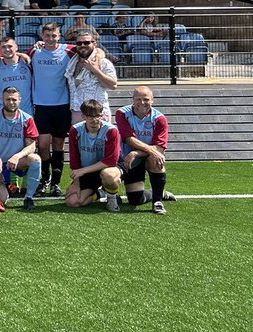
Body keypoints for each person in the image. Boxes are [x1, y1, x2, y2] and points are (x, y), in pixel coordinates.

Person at [0, 87, 41, 211]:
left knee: (35, 159)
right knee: (2, 200)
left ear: (20, 100)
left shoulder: (27, 119)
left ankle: (29, 198)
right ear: (2, 100)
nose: (11, 102)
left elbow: (31, 146)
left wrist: (17, 156)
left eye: (14, 100)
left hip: (16, 162)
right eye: (8, 99)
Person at [29, 22, 74, 196]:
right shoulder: (35, 52)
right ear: (42, 36)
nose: (50, 39)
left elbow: (94, 49)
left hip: (62, 105)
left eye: (54, 35)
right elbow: (18, 56)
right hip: (41, 106)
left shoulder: (68, 50)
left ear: (59, 36)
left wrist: (99, 54)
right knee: (42, 146)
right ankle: (45, 179)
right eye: (47, 36)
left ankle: (55, 183)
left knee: (58, 145)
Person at [116, 86, 174, 215]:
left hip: (141, 156)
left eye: (146, 99)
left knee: (156, 159)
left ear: (152, 100)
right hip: (129, 159)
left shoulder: (159, 119)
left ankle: (157, 202)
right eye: (138, 99)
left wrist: (136, 153)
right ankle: (157, 193)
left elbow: (159, 148)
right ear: (133, 99)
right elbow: (128, 138)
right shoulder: (122, 114)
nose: (142, 102)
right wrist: (143, 152)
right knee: (135, 200)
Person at [65, 98, 123, 212]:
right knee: (73, 202)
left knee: (109, 176)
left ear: (102, 115)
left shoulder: (111, 130)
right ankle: (100, 194)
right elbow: (75, 160)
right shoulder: (75, 130)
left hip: (111, 168)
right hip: (89, 171)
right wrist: (76, 183)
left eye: (97, 116)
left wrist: (83, 171)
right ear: (83, 116)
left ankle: (112, 199)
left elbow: (111, 161)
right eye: (90, 116)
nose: (94, 120)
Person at [65, 32, 117, 122]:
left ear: (94, 44)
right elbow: (53, 45)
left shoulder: (103, 62)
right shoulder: (72, 62)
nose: (82, 45)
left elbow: (113, 85)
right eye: (79, 43)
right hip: (76, 111)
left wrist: (95, 70)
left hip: (97, 113)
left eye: (86, 43)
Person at [0, 36, 34, 115]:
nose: (7, 49)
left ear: (16, 47)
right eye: (3, 47)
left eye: (10, 46)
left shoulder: (27, 62)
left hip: (27, 114)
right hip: (3, 115)